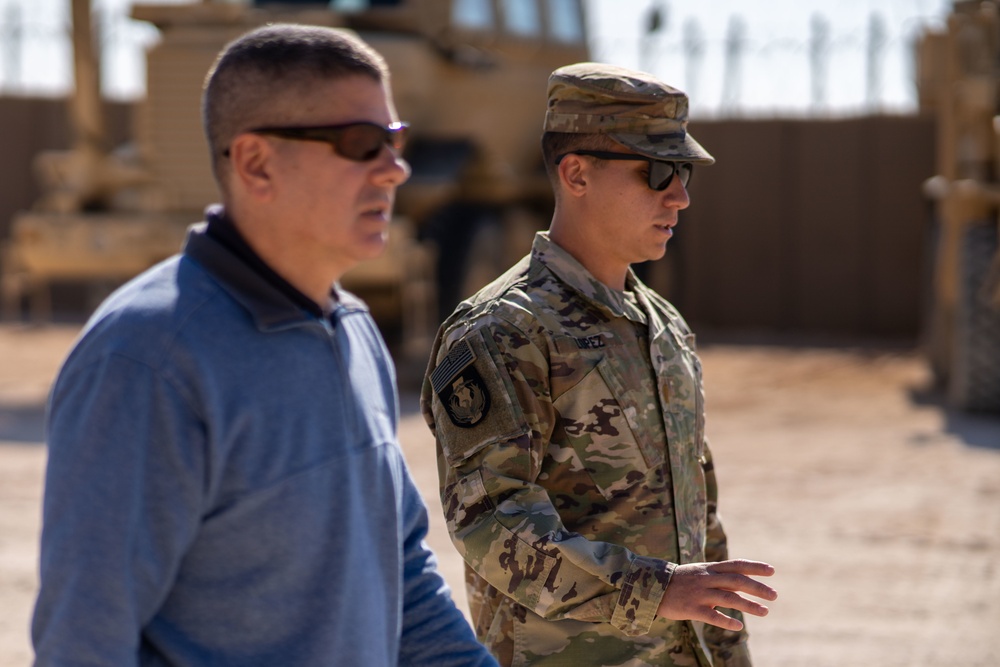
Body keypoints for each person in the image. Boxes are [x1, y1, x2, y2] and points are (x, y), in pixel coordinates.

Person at [32, 24, 496, 667]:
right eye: (361, 144)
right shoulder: (147, 360)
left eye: (395, 140)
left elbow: (400, 580)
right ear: (255, 162)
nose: (396, 170)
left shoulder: (353, 330)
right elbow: (84, 641)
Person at [420, 62, 777, 667]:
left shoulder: (661, 323)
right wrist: (657, 590)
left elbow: (699, 518)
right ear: (576, 173)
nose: (680, 196)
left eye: (684, 172)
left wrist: (726, 650)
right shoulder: (504, 331)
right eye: (658, 172)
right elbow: (490, 526)